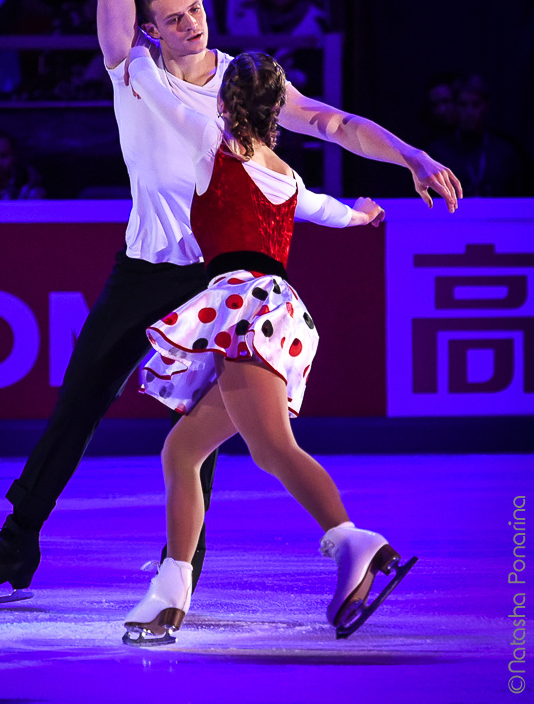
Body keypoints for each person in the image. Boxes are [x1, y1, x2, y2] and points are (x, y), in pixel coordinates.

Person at [0, 0, 461, 611]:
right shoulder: (133, 73)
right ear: (149, 31)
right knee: (76, 406)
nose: (191, 27)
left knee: (197, 434)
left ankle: (179, 570)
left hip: (219, 279)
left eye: (196, 12)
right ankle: (18, 546)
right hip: (144, 269)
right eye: (174, 19)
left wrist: (410, 155)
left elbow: (334, 122)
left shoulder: (246, 85)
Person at [121, 45, 415, 644]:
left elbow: (152, 92)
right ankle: (170, 592)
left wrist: (140, 47)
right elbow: (323, 210)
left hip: (244, 306)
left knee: (271, 448)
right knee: (181, 454)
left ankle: (354, 541)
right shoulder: (286, 174)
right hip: (273, 309)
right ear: (278, 110)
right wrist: (360, 215)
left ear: (226, 103)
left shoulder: (211, 147)